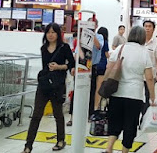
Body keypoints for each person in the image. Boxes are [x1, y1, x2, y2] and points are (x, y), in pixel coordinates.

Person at [22, 23, 75, 152]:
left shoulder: (64, 47)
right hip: (44, 85)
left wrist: (59, 67)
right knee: (36, 115)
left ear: (58, 34)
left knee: (58, 114)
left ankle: (61, 140)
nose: (50, 35)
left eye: (53, 32)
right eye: (48, 32)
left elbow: (72, 64)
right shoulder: (43, 48)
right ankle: (28, 146)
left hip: (57, 85)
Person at [104, 26, 155, 153]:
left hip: (117, 92)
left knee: (114, 121)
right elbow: (149, 78)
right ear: (143, 37)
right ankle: (124, 151)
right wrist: (152, 95)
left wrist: (104, 86)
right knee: (130, 124)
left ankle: (109, 148)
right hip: (135, 95)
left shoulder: (120, 49)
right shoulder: (144, 52)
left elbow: (109, 68)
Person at [142, 20, 157, 117]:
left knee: (148, 96)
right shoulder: (139, 41)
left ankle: (145, 117)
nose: (147, 28)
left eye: (149, 26)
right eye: (145, 26)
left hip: (150, 75)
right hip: (138, 74)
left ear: (153, 29)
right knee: (138, 96)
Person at [88, 18, 104, 118]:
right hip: (82, 67)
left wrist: (92, 34)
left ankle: (90, 112)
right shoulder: (82, 36)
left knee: (92, 90)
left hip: (93, 67)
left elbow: (98, 46)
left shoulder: (99, 36)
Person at [94, 26, 110, 111]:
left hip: (95, 65)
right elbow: (107, 55)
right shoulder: (105, 42)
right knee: (99, 88)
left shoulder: (95, 40)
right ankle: (96, 107)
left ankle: (92, 106)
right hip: (102, 65)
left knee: (93, 87)